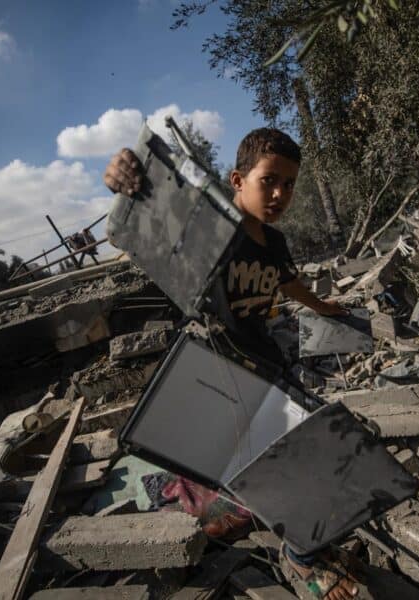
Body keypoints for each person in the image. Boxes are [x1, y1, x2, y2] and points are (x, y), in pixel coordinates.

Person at [104, 128, 361, 600]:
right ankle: (300, 557)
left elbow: (290, 284)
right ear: (238, 180)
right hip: (216, 374)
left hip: (265, 367)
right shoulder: (210, 233)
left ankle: (289, 529)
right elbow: (155, 217)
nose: (281, 193)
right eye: (270, 181)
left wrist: (326, 308)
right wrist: (125, 173)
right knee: (285, 466)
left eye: (290, 184)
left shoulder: (276, 244)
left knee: (321, 445)